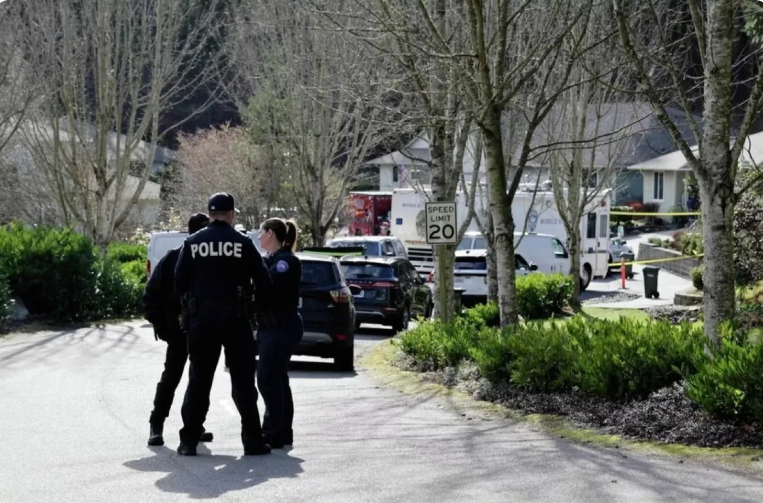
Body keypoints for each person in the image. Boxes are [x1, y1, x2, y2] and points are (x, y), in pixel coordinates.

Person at [174, 192, 272, 456]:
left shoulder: (193, 242)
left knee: (199, 380)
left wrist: (190, 306)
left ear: (210, 214)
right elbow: (263, 281)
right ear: (230, 214)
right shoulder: (242, 242)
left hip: (201, 318)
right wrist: (256, 309)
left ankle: (188, 441)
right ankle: (252, 441)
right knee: (243, 381)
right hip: (236, 318)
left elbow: (179, 281)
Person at [143, 213, 212, 447]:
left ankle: (195, 424)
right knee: (171, 378)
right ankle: (156, 424)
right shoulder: (173, 258)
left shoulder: (208, 260)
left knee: (199, 380)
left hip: (203, 329)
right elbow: (151, 294)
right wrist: (162, 325)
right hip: (179, 330)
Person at [256, 218, 304, 448]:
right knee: (278, 379)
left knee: (267, 378)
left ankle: (272, 432)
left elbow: (268, 287)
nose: (258, 236)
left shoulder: (285, 262)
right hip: (272, 327)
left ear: (270, 234)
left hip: (280, 327)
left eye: (261, 232)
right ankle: (283, 432)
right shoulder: (272, 259)